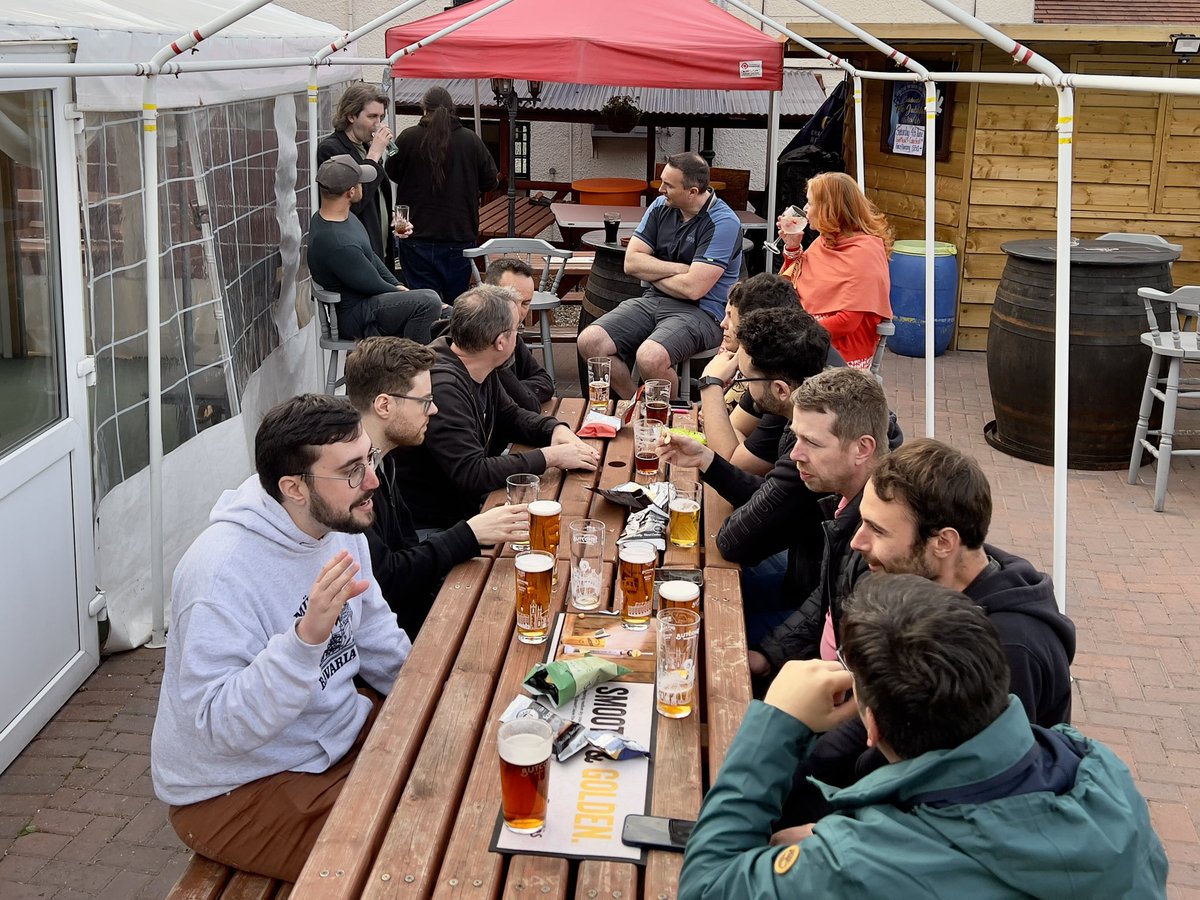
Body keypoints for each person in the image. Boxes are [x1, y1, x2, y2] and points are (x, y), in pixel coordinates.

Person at [679, 574, 1168, 900]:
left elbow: (704, 886)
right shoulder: (1101, 773)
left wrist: (777, 723)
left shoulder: (857, 865)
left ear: (870, 726)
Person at [152, 394, 411, 882]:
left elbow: (376, 633)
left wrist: (427, 699)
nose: (373, 480)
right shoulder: (220, 575)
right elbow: (218, 728)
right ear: (293, 486)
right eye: (352, 469)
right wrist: (303, 641)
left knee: (460, 768)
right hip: (235, 786)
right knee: (400, 863)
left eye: (369, 459)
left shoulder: (340, 523)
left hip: (330, 734)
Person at [773, 437, 1077, 830]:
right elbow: (861, 726)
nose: (856, 542)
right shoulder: (932, 583)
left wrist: (827, 833)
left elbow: (982, 802)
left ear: (943, 542)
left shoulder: (1009, 649)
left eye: (877, 530)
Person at [658, 307, 833, 642]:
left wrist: (768, 655)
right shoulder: (817, 411)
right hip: (806, 574)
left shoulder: (810, 447)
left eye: (745, 379)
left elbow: (735, 541)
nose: (741, 387)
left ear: (781, 390)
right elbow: (772, 497)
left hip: (811, 607)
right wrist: (707, 460)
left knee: (689, 620)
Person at [344, 337, 529, 637]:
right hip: (393, 639)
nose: (433, 410)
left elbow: (406, 548)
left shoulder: (383, 457)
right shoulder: (351, 481)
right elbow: (387, 579)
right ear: (384, 405)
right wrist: (470, 533)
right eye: (425, 401)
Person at [389, 284, 599, 532]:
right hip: (436, 527)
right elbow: (472, 473)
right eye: (516, 330)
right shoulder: (443, 386)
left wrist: (554, 430)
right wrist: (551, 457)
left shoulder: (475, 363)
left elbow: (511, 416)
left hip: (463, 509)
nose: (517, 336)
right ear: (500, 342)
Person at [748, 367, 890, 673]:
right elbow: (830, 598)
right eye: (796, 437)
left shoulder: (883, 539)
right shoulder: (850, 497)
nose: (796, 454)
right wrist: (767, 656)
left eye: (812, 442)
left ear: (862, 449)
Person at [577, 152, 742, 399]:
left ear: (693, 192)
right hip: (653, 300)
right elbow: (631, 263)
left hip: (703, 312)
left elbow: (693, 289)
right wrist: (679, 269)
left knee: (650, 356)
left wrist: (653, 271)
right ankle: (636, 405)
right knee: (590, 340)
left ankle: (667, 421)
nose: (660, 190)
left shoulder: (724, 222)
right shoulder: (661, 206)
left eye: (668, 185)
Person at [704, 272, 845, 476]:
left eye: (731, 317)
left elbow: (728, 464)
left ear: (757, 326)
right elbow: (733, 430)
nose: (723, 324)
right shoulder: (786, 355)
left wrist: (709, 385)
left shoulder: (793, 381)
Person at [307, 154, 444, 342]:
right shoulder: (337, 242)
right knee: (429, 302)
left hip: (368, 303)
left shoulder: (338, 218)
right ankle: (411, 365)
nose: (364, 185)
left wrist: (398, 285)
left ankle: (431, 362)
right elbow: (373, 285)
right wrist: (407, 295)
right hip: (355, 315)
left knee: (450, 313)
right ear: (351, 192)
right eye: (360, 182)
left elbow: (371, 257)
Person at [386, 85, 499, 302]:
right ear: (452, 109)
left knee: (422, 304)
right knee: (457, 305)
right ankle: (453, 337)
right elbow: (490, 181)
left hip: (415, 236)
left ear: (423, 109)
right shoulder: (470, 140)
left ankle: (425, 337)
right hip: (458, 236)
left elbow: (391, 172)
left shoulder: (407, 138)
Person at [778, 171, 892, 369]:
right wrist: (792, 247)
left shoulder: (865, 252)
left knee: (763, 364)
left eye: (811, 203)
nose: (805, 209)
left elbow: (846, 322)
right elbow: (789, 287)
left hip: (839, 351)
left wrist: (794, 333)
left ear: (830, 209)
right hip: (809, 336)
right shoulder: (826, 241)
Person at [317, 83, 396, 270]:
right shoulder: (332, 149)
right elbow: (356, 202)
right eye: (371, 117)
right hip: (358, 252)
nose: (378, 124)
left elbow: (375, 197)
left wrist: (392, 219)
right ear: (351, 116)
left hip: (381, 248)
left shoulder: (367, 147)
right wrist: (374, 156)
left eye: (381, 117)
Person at [483, 257, 555, 412]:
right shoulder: (479, 341)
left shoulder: (512, 334)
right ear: (487, 294)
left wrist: (513, 389)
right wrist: (519, 391)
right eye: (512, 301)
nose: (518, 311)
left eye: (525, 303)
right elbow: (527, 403)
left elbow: (546, 383)